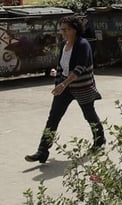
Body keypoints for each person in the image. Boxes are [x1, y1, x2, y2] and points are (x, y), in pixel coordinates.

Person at [25, 15, 105, 163]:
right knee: (53, 118)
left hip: (82, 87)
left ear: (75, 29)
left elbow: (79, 68)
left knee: (89, 115)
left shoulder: (83, 44)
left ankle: (99, 141)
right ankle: (42, 151)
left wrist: (63, 83)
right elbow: (62, 66)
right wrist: (58, 79)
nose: (64, 32)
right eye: (62, 30)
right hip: (65, 88)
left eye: (67, 29)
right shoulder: (63, 45)